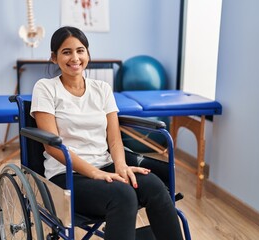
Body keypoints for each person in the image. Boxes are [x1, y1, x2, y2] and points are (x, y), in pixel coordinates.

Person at [30, 26, 183, 240]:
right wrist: (95, 173)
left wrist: (121, 166)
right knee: (124, 195)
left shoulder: (101, 88)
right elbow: (52, 146)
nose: (75, 57)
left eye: (80, 50)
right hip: (67, 174)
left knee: (155, 186)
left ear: (88, 54)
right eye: (66, 52)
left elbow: (114, 137)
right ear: (54, 58)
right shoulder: (45, 88)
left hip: (105, 164)